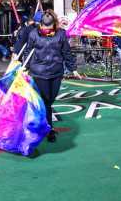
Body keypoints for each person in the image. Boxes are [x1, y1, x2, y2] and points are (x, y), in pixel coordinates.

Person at [23, 9, 82, 143]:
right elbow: (28, 51)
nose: (46, 30)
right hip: (39, 72)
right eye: (44, 27)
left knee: (50, 99)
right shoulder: (33, 34)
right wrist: (25, 68)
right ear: (40, 25)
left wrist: (73, 69)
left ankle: (44, 123)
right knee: (46, 102)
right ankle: (48, 130)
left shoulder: (61, 34)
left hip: (56, 72)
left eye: (49, 28)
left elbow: (66, 52)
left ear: (54, 25)